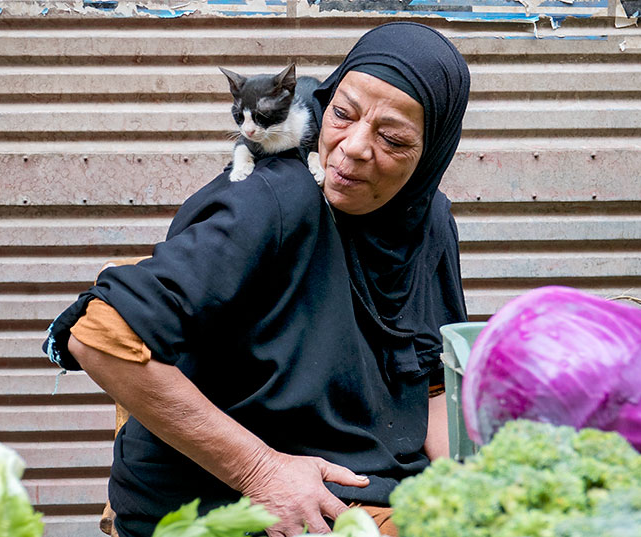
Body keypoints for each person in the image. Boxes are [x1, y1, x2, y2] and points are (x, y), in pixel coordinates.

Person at [43, 22, 471, 537]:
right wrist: (262, 472)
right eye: (341, 113)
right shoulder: (275, 201)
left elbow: (429, 387)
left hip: (369, 486)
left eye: (393, 139)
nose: (354, 147)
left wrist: (474, 493)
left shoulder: (427, 222)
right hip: (227, 501)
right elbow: (100, 338)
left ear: (432, 154)